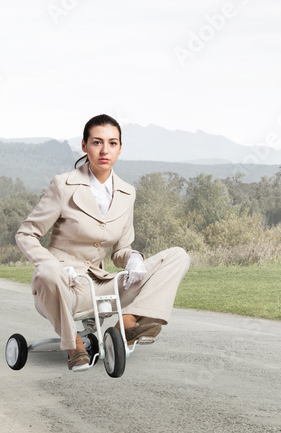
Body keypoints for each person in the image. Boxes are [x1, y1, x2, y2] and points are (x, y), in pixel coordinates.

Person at [15, 114, 191, 371]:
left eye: (112, 143)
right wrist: (52, 265)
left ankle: (127, 323)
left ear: (120, 148)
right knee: (46, 272)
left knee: (178, 256)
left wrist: (133, 259)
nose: (105, 150)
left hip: (101, 284)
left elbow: (121, 250)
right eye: (97, 142)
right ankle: (73, 344)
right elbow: (26, 233)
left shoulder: (127, 192)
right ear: (84, 146)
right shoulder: (63, 185)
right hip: (64, 286)